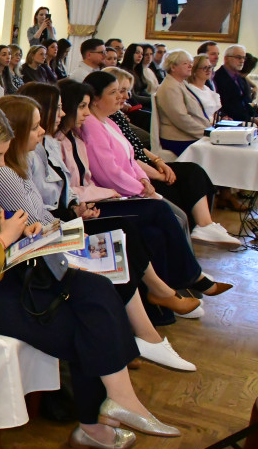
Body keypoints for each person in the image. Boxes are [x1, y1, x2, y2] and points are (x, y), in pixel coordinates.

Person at [0, 103, 179, 449]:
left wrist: (27, 231)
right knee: (83, 326)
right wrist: (5, 238)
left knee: (98, 287)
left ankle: (120, 399)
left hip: (3, 273)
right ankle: (95, 425)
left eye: (2, 156)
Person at [0, 95, 197, 370]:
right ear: (15, 132)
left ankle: (140, 331)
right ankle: (141, 333)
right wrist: (74, 226)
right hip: (39, 249)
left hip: (51, 232)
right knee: (113, 243)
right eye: (35, 126)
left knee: (120, 237)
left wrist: (74, 219)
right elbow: (34, 222)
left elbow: (42, 213)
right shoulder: (4, 171)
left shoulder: (19, 162)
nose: (42, 131)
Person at [21, 81, 205, 326]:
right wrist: (98, 199)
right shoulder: (39, 149)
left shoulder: (55, 143)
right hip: (66, 216)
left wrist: (142, 178)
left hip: (80, 206)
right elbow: (48, 201)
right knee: (139, 222)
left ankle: (160, 306)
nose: (66, 114)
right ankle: (176, 288)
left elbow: (126, 157)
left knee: (155, 226)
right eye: (77, 107)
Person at [56, 78, 232, 298]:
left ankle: (180, 284)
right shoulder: (84, 130)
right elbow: (105, 174)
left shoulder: (103, 124)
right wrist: (137, 189)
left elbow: (131, 157)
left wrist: (145, 181)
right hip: (104, 196)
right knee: (167, 214)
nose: (122, 97)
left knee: (169, 217)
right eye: (114, 92)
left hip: (113, 192)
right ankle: (188, 281)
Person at [98, 67, 236, 241]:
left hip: (145, 166)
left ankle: (205, 224)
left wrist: (158, 161)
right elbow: (127, 159)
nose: (126, 96)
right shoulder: (106, 121)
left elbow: (137, 146)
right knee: (181, 184)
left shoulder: (116, 117)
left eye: (127, 91)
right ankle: (198, 228)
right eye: (121, 91)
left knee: (194, 171)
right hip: (137, 174)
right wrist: (156, 174)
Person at [155, 50, 209, 155]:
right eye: (185, 63)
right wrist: (206, 132)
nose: (190, 66)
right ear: (173, 67)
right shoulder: (170, 87)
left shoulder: (181, 83)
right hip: (178, 138)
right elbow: (181, 118)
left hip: (188, 134)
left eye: (190, 63)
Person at [214, 44, 256, 123]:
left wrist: (255, 116)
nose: (242, 61)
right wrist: (250, 119)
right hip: (232, 123)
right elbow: (228, 107)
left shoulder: (240, 78)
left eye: (244, 58)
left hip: (247, 122)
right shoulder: (218, 78)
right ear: (226, 59)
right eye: (238, 57)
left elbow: (247, 102)